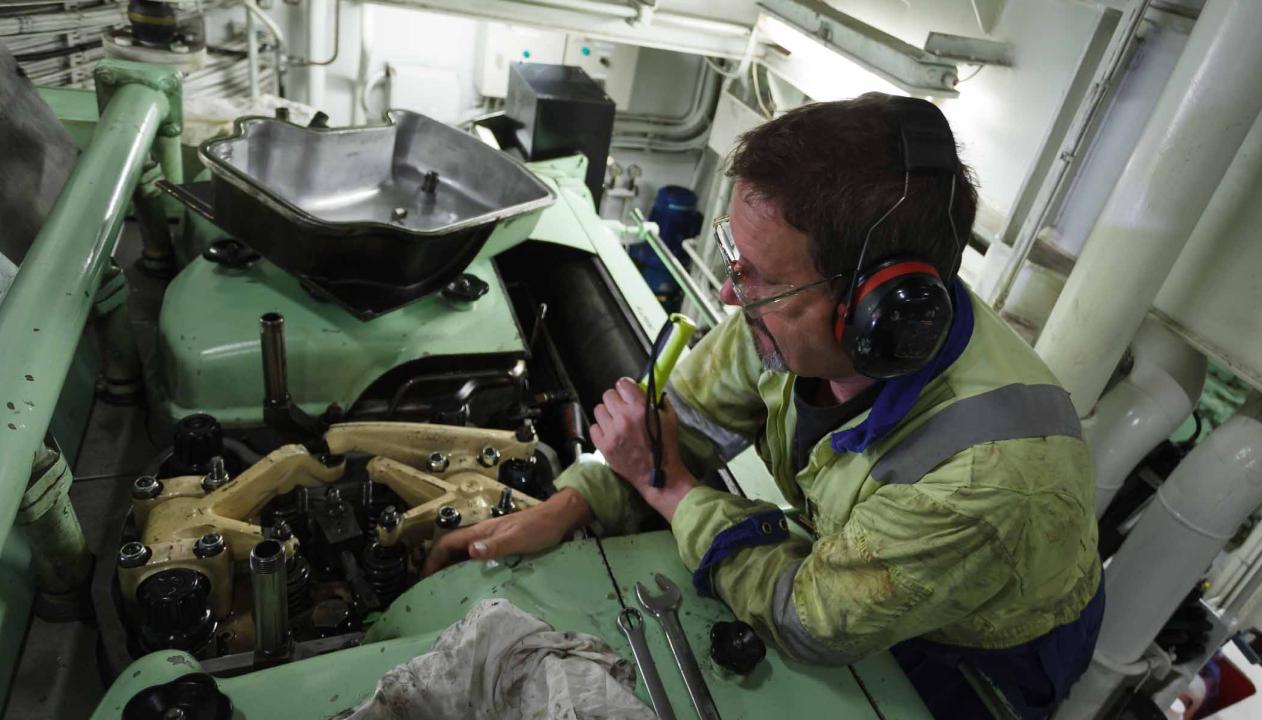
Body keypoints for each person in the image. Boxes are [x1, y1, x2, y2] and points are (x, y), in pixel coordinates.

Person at [425, 94, 1103, 719]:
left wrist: (676, 497)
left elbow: (809, 618)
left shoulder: (987, 478)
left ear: (872, 314)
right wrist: (564, 509)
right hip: (856, 564)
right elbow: (679, 427)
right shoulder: (783, 327)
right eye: (734, 258)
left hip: (974, 655)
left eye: (762, 278)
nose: (729, 293)